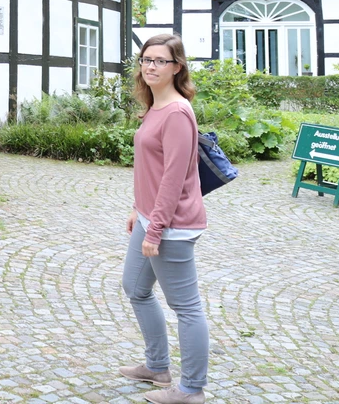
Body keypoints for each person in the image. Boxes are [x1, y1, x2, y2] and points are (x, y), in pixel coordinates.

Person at [119, 33, 209, 404]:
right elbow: (153, 170)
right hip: (150, 217)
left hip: (172, 228)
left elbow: (174, 178)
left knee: (187, 308)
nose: (151, 66)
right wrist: (138, 209)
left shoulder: (176, 112)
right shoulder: (155, 107)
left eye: (160, 61)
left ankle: (191, 389)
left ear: (178, 67)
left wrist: (154, 228)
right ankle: (157, 367)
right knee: (136, 289)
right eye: (146, 59)